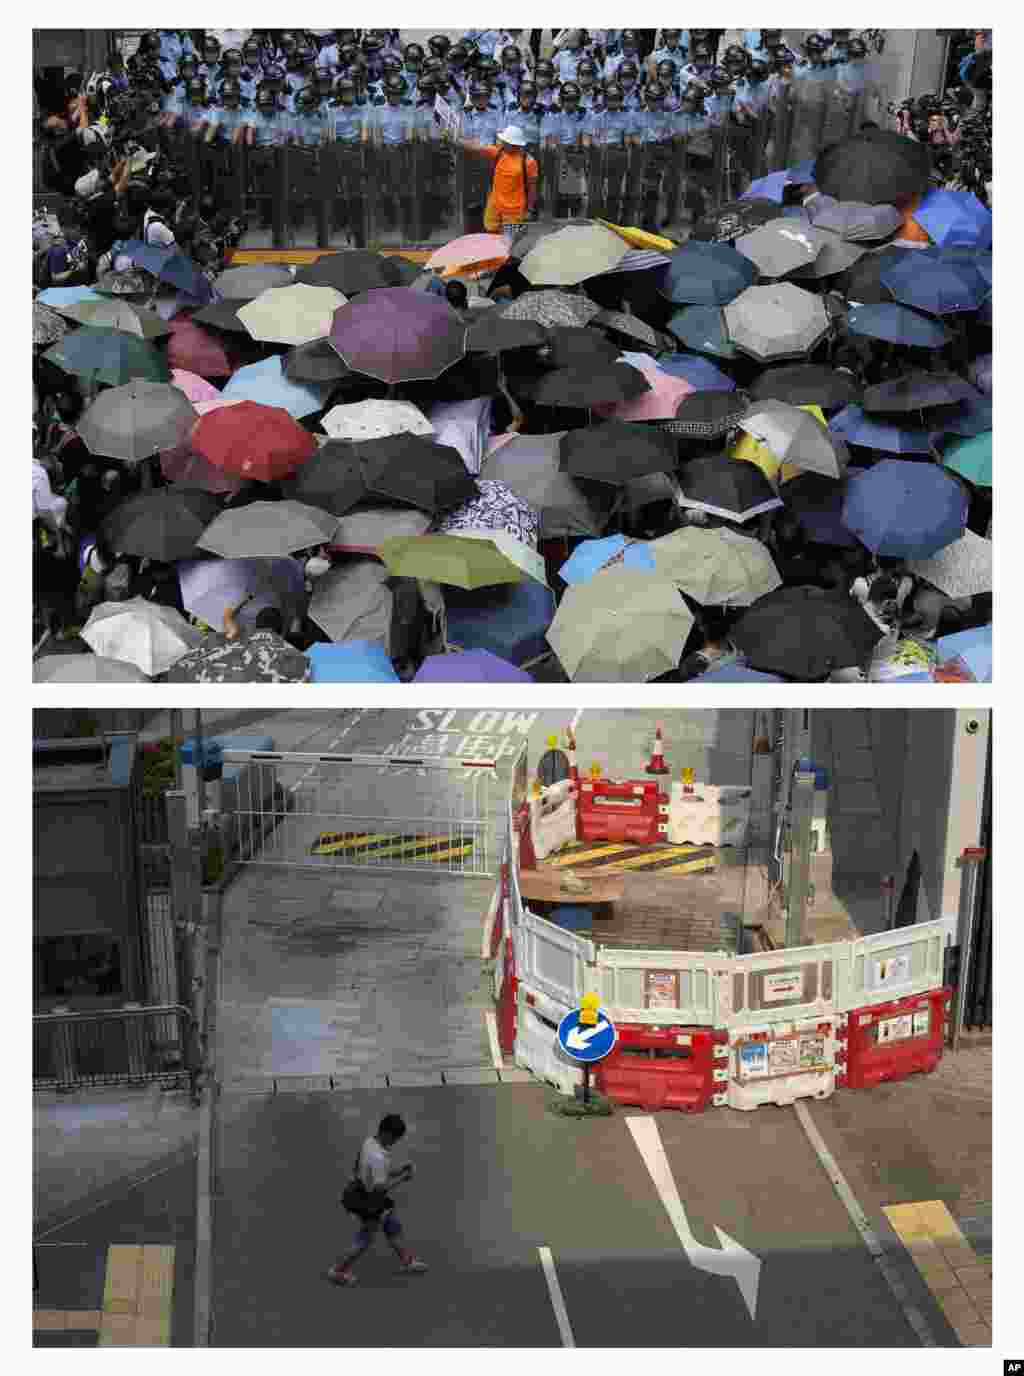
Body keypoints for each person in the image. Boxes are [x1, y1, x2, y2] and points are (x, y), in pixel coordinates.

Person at [328, 1113, 428, 1287]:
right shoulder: (378, 1158)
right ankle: (338, 1270)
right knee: (365, 1238)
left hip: (358, 1189)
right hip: (368, 1201)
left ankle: (407, 1261)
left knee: (392, 1223)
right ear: (388, 1134)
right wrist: (403, 1178)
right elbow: (379, 1190)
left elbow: (366, 1169)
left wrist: (398, 1170)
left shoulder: (370, 1142)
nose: (395, 1142)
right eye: (396, 1138)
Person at [460, 123, 538, 246]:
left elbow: (532, 188)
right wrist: (456, 140)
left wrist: (529, 209)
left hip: (514, 210)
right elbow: (476, 147)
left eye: (506, 141)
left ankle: (506, 258)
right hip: (494, 205)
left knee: (507, 245)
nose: (503, 143)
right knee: (491, 238)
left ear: (515, 144)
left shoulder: (529, 162)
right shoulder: (498, 152)